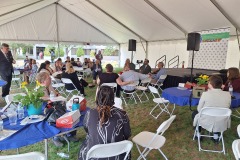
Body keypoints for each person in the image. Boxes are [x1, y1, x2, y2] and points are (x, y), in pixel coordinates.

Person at [78, 86, 131, 160]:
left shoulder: (90, 113)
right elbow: (127, 134)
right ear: (113, 98)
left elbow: (87, 130)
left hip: (94, 156)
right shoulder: (122, 114)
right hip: (117, 155)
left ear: (97, 97)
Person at [36, 72, 78, 147]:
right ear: (43, 81)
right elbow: (41, 99)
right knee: (58, 116)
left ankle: (68, 133)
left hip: (55, 106)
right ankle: (56, 137)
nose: (50, 78)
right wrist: (50, 98)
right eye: (48, 77)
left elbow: (55, 93)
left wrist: (58, 95)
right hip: (46, 110)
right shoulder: (40, 89)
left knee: (70, 113)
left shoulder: (49, 86)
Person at [192, 75, 231, 141]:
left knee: (194, 113)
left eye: (209, 82)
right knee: (218, 115)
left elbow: (199, 109)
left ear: (211, 84)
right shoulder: (228, 95)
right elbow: (227, 107)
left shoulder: (205, 94)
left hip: (206, 119)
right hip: (221, 120)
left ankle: (198, 133)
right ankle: (216, 135)